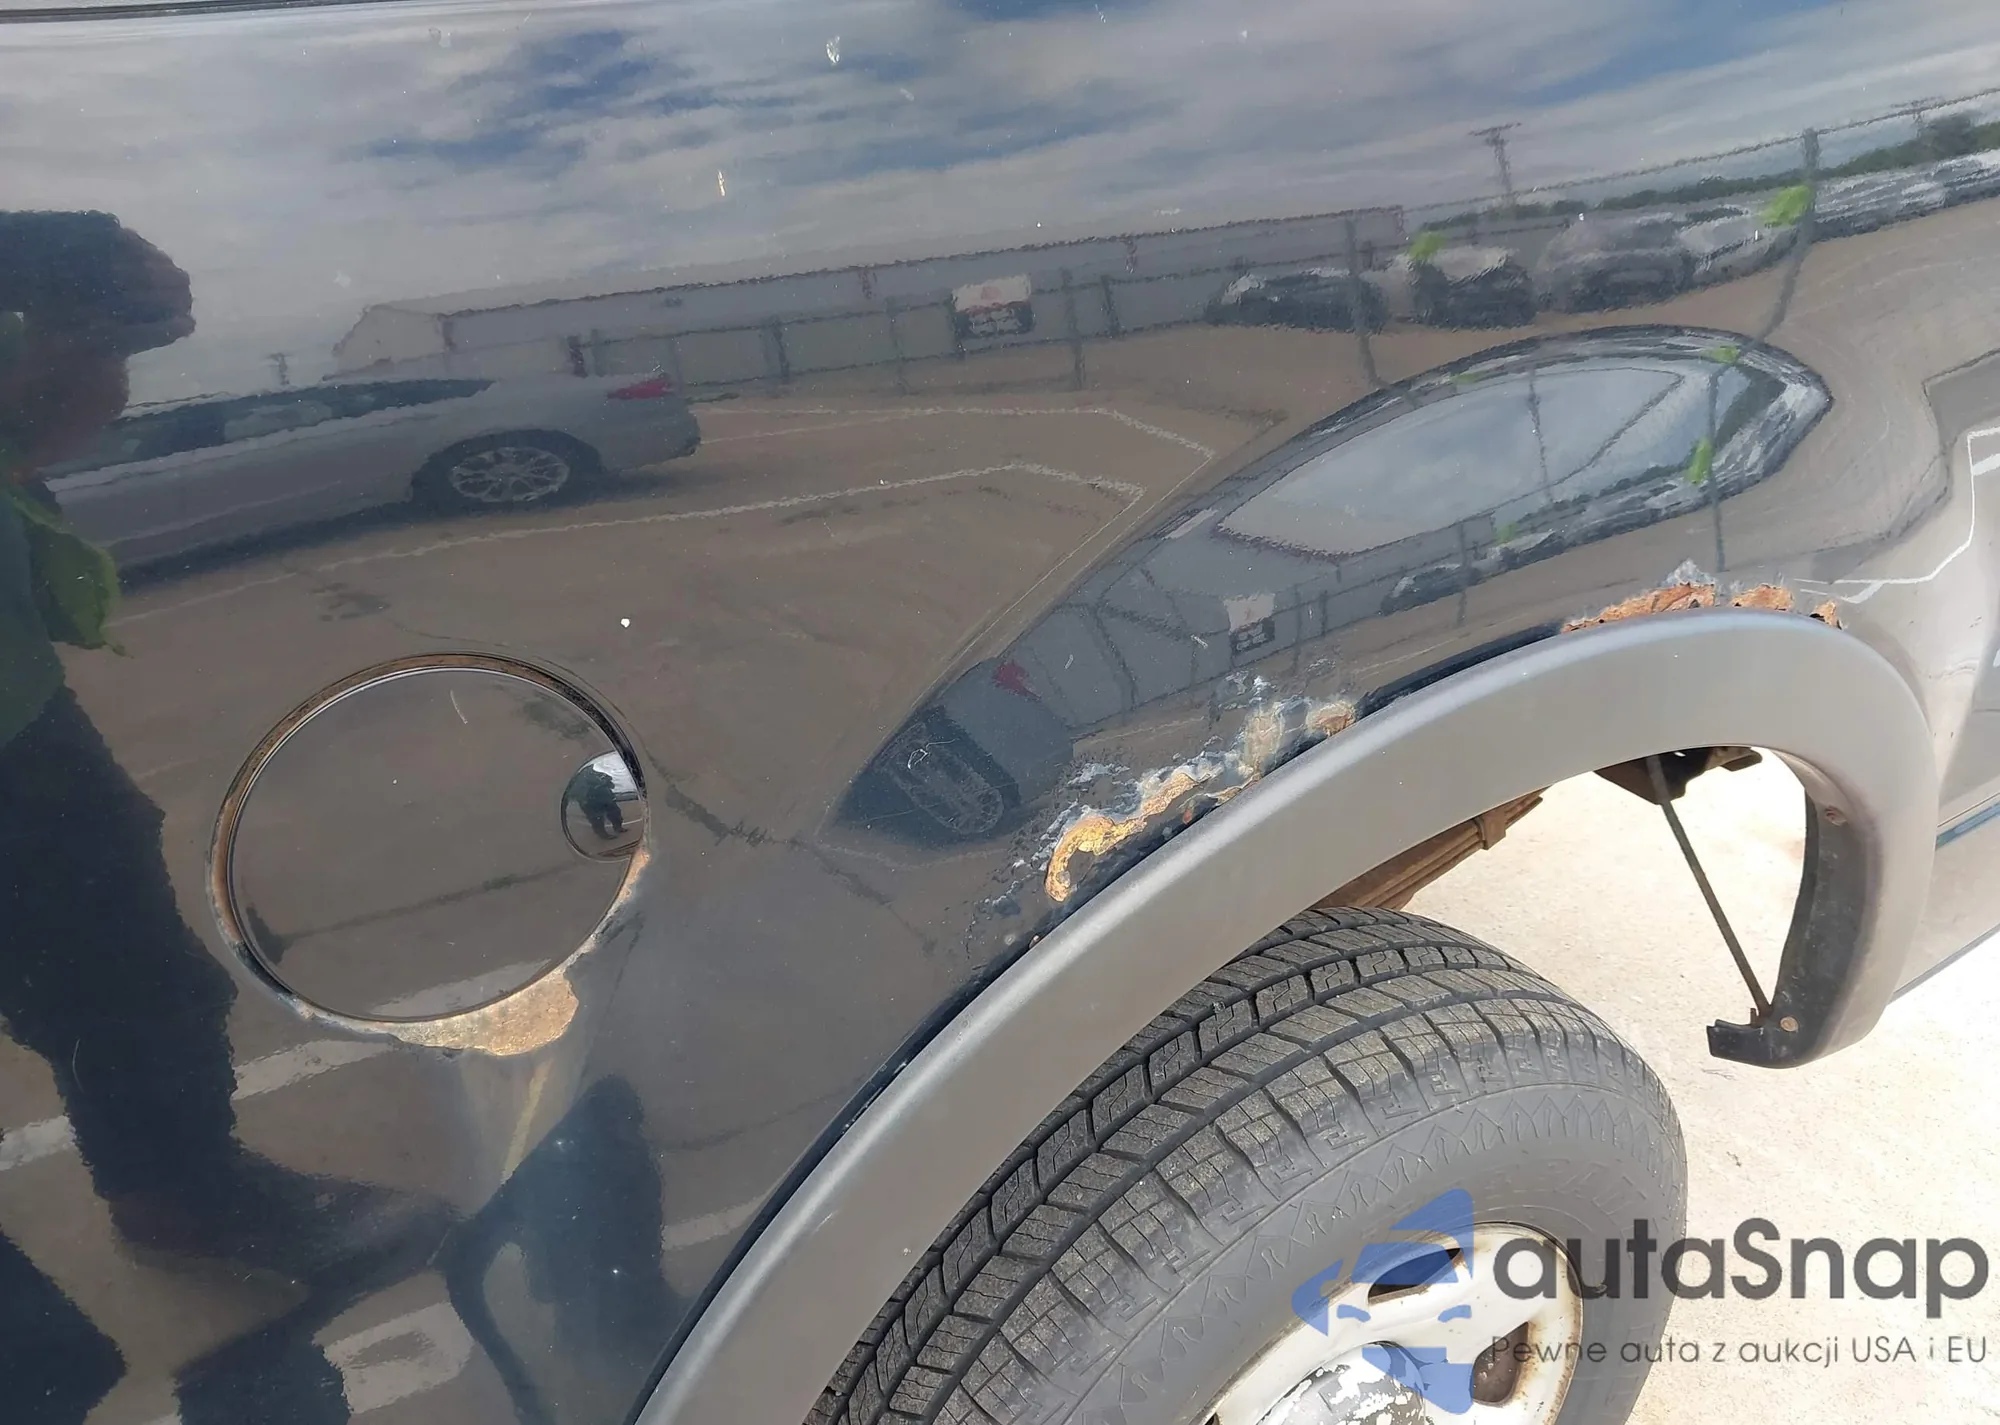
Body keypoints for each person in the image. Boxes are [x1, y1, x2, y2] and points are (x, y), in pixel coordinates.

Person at [1, 210, 446, 1424]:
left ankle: (181, 1197)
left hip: (20, 725)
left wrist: (75, 293)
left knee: (132, 986)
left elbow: (67, 382)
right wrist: (60, 275)